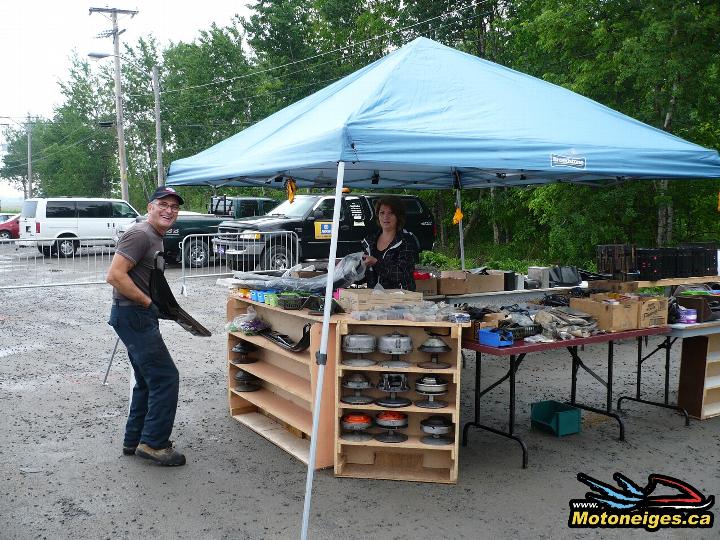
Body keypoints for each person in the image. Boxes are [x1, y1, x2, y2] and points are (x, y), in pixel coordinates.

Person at [106, 186, 186, 467]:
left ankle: (135, 439)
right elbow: (115, 276)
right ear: (149, 207)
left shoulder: (155, 236)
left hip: (137, 315)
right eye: (163, 204)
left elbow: (144, 277)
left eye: (174, 207)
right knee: (166, 378)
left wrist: (161, 305)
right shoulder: (140, 234)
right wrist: (146, 303)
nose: (169, 210)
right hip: (134, 315)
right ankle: (154, 444)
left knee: (146, 380)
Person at [361, 196, 419, 291]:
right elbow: (364, 275)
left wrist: (376, 262)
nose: (385, 217)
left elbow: (401, 274)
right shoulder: (369, 241)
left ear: (398, 216)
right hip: (375, 298)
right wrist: (348, 266)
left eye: (391, 213)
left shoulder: (406, 241)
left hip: (401, 299)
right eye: (382, 213)